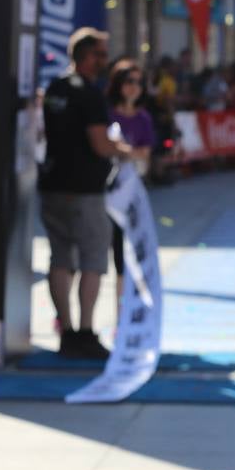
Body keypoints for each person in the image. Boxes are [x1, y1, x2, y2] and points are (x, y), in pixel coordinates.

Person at [39, 28, 137, 359]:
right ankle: (84, 331)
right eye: (101, 54)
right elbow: (99, 142)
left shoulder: (55, 88)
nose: (105, 61)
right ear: (86, 56)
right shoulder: (89, 95)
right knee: (93, 259)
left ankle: (66, 331)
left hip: (53, 185)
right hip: (83, 190)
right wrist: (123, 149)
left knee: (61, 258)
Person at [106, 60, 155, 297]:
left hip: (131, 193)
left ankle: (121, 313)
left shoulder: (143, 118)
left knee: (125, 254)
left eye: (139, 82)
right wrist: (123, 151)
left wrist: (121, 150)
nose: (134, 87)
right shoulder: (107, 114)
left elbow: (145, 153)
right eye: (129, 82)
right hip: (105, 192)